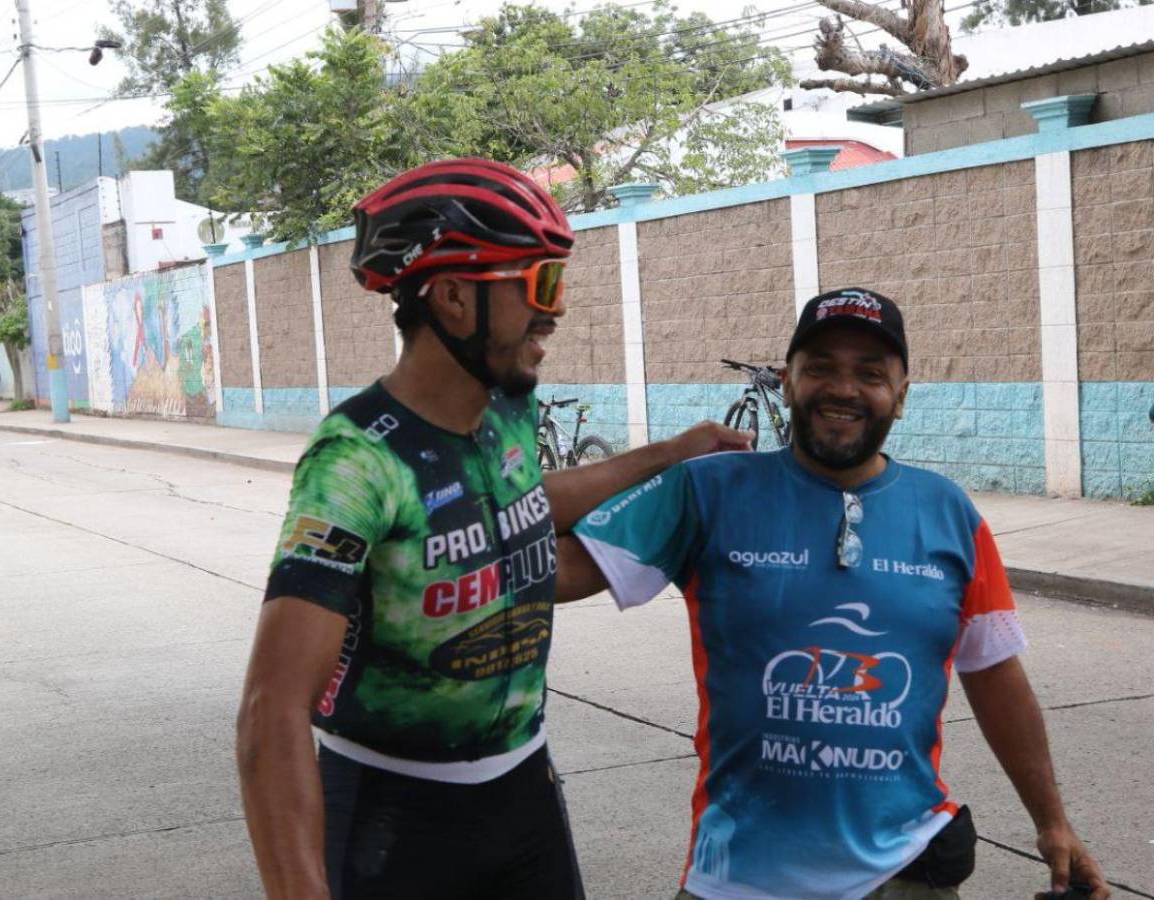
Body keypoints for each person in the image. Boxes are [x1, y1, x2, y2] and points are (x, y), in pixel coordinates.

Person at [236, 158, 749, 900]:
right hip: (392, 820)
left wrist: (670, 456)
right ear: (451, 296)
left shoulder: (506, 409)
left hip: (523, 797)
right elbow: (271, 709)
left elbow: (520, 508)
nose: (556, 309)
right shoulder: (355, 460)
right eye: (538, 282)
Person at [558, 287, 1110, 900]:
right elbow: (544, 572)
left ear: (900, 397)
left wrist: (1052, 822)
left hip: (905, 877)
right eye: (819, 366)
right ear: (788, 382)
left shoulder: (948, 511)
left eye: (870, 373)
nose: (843, 388)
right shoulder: (709, 490)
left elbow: (996, 675)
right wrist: (663, 455)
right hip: (739, 878)